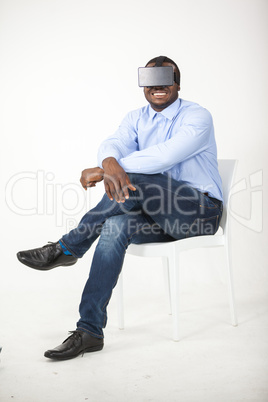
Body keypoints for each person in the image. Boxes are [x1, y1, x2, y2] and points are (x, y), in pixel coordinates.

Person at [17, 56, 223, 360]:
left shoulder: (198, 117)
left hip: (199, 214)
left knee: (136, 177)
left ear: (178, 83)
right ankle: (89, 330)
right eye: (150, 80)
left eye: (166, 78)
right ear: (142, 85)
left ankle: (67, 247)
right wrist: (109, 163)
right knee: (113, 227)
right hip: (159, 218)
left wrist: (105, 171)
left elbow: (164, 157)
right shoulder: (135, 118)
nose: (158, 86)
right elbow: (112, 143)